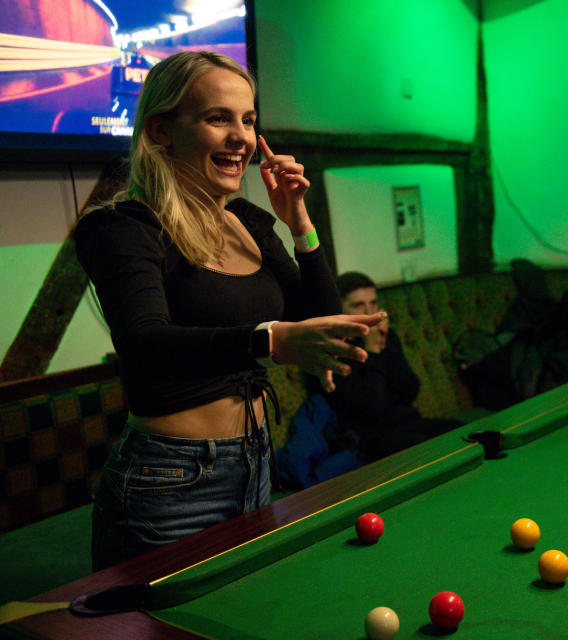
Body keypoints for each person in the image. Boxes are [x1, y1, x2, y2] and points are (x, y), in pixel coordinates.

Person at [74, 51, 385, 570]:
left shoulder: (248, 219)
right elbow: (144, 345)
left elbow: (325, 318)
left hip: (255, 461)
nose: (241, 136)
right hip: (170, 480)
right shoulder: (123, 226)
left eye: (248, 120)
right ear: (160, 131)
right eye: (218, 118)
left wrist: (298, 221)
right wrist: (271, 340)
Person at [324, 272, 462, 462]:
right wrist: (373, 351)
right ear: (341, 310)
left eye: (373, 303)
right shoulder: (334, 350)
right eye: (358, 305)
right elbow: (372, 408)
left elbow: (411, 389)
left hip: (407, 423)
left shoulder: (386, 337)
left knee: (462, 432)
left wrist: (382, 346)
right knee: (427, 450)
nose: (369, 312)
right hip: (368, 438)